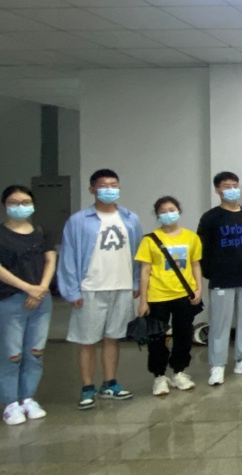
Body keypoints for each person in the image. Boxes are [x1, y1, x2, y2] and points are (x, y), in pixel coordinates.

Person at [59, 169, 142, 409]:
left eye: (113, 185)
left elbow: (138, 253)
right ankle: (87, 387)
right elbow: (68, 256)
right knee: (87, 340)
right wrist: (72, 290)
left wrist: (136, 282)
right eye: (103, 185)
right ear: (92, 189)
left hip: (121, 287)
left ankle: (110, 383)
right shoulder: (78, 221)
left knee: (113, 338)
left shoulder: (130, 219)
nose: (109, 189)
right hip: (90, 288)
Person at [197, 171, 242, 387]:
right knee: (220, 322)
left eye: (235, 185)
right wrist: (210, 272)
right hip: (221, 277)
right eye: (227, 186)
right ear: (218, 190)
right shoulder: (210, 218)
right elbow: (202, 249)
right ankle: (217, 365)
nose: (232, 189)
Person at [135, 196, 202, 397]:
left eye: (171, 210)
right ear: (157, 215)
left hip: (184, 294)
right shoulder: (149, 240)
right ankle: (159, 376)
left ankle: (179, 371)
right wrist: (143, 301)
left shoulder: (191, 237)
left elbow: (195, 265)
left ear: (179, 211)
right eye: (162, 211)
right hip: (158, 296)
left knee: (183, 334)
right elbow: (145, 271)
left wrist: (198, 289)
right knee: (157, 337)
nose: (168, 214)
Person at [0, 185, 55, 424]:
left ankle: (28, 398)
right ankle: (11, 403)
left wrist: (41, 287)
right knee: (11, 353)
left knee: (35, 352)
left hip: (41, 300)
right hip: (10, 299)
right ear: (5, 205)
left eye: (25, 202)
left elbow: (50, 260)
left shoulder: (42, 233)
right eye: (14, 203)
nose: (20, 206)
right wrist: (27, 288)